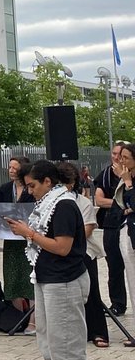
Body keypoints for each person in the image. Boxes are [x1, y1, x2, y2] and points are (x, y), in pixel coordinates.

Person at [5, 161, 94, 360]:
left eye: (32, 185)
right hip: (46, 278)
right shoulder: (45, 203)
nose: (29, 190)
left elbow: (63, 247)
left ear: (47, 182)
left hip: (64, 281)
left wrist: (28, 233)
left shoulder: (64, 205)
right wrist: (27, 232)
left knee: (66, 343)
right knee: (48, 341)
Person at [59, 162, 113, 348]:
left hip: (83, 251)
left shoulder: (82, 203)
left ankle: (98, 332)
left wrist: (64, 238)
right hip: (58, 250)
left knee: (91, 291)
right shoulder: (50, 203)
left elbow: (87, 230)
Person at [0, 157, 35, 319]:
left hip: (29, 240)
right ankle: (18, 317)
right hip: (11, 240)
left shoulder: (32, 189)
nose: (11, 170)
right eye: (9, 167)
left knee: (29, 279)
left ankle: (33, 319)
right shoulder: (5, 188)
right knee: (13, 278)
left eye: (15, 167)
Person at [93, 142, 127, 314]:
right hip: (111, 223)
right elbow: (98, 200)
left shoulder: (130, 174)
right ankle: (118, 304)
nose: (115, 157)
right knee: (114, 265)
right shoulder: (106, 173)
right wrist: (122, 203)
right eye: (113, 153)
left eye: (120, 154)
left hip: (128, 223)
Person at [112, 143, 135, 337]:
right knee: (132, 279)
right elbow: (123, 204)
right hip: (127, 230)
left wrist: (128, 182)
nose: (122, 161)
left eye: (126, 158)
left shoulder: (129, 179)